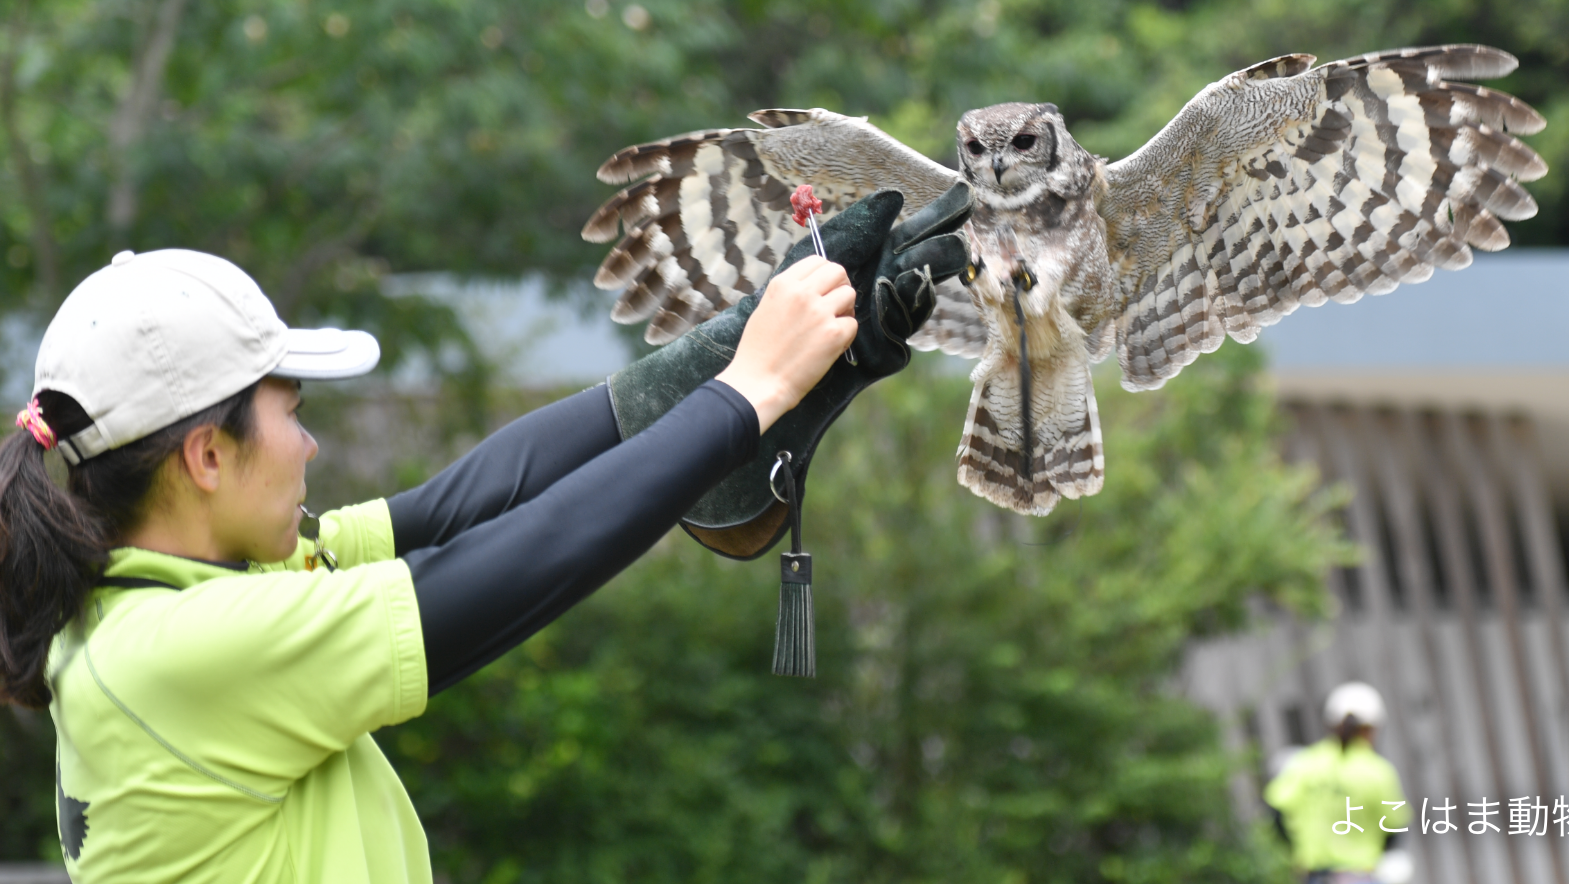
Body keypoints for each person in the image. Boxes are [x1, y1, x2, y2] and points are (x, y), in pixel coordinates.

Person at [0, 187, 970, 883]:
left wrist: (725, 354)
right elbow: (521, 559)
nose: (309, 444)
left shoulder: (176, 596)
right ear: (207, 456)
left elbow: (461, 505)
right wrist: (749, 392)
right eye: (290, 414)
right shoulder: (181, 652)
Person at [1264, 682, 1412, 885]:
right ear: (1371, 729)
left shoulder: (1304, 765)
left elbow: (1275, 813)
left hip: (1315, 877)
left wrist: (1295, 849)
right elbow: (1395, 828)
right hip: (1361, 876)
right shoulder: (1378, 772)